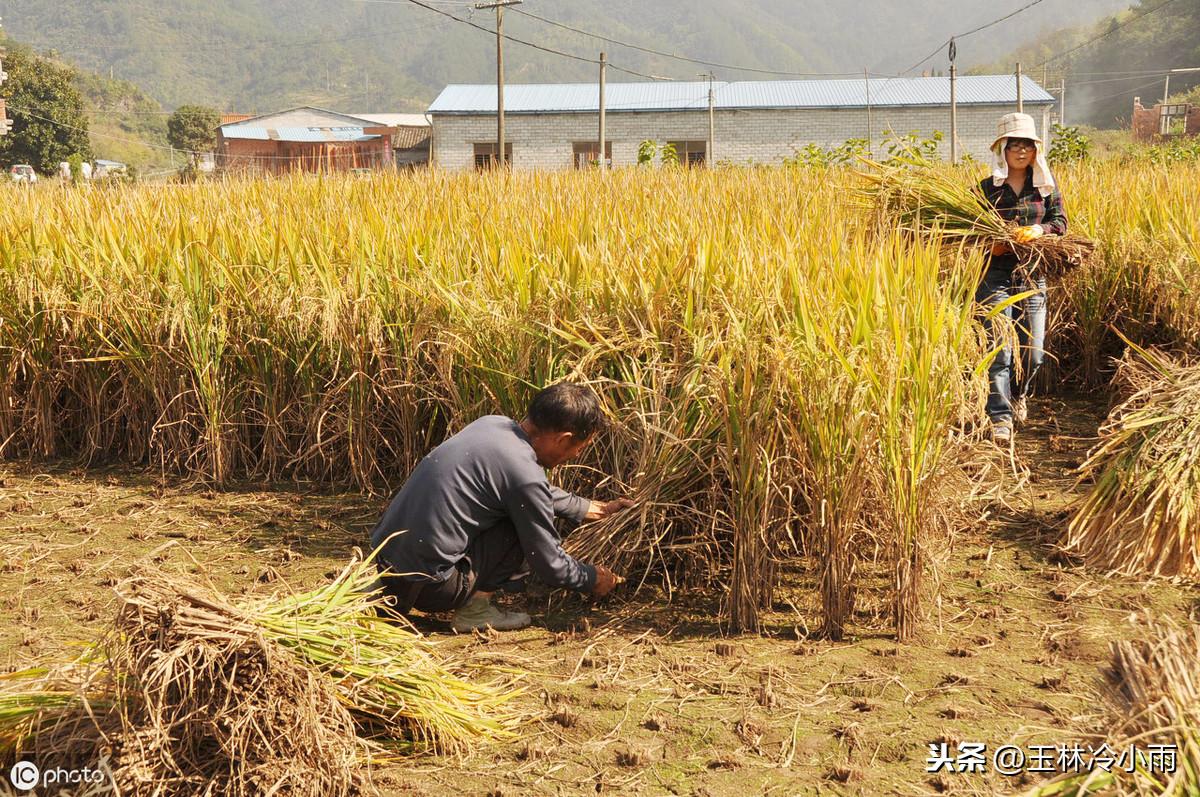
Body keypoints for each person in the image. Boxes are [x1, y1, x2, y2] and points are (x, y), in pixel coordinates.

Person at [369, 382, 634, 632]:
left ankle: (380, 588)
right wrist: (593, 579)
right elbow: (550, 565)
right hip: (429, 588)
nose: (575, 455)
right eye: (579, 448)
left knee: (519, 504)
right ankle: (476, 611)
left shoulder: (491, 425)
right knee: (518, 520)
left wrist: (595, 509)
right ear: (563, 439)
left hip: (384, 564)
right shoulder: (524, 476)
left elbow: (528, 489)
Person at [977, 112, 1068, 445]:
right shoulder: (985, 190)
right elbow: (968, 232)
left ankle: (1020, 395)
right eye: (1013, 144)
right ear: (1002, 149)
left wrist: (1038, 229)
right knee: (999, 349)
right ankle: (999, 416)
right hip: (995, 276)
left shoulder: (1045, 187)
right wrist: (992, 245)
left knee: (1034, 351)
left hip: (1032, 275)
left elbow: (1061, 223)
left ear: (1035, 150)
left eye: (1026, 145)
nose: (1020, 150)